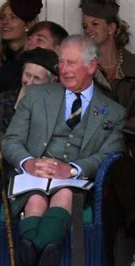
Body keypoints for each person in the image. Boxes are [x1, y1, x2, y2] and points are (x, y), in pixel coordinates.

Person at [1, 34, 125, 266]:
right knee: (35, 200)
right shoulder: (36, 96)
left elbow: (108, 154)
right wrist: (28, 162)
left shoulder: (113, 112)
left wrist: (72, 169)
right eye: (61, 62)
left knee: (65, 194)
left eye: (72, 63)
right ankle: (42, 252)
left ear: (91, 66)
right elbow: (10, 140)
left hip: (74, 182)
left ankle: (31, 254)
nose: (64, 69)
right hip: (32, 176)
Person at [80, 1, 135, 264]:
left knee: (117, 179)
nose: (88, 30)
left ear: (112, 27)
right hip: (99, 150)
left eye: (95, 24)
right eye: (84, 25)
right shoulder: (83, 70)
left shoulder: (133, 66)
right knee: (116, 163)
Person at [0, 47, 59, 147]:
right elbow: (4, 140)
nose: (29, 83)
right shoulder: (7, 99)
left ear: (53, 82)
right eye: (27, 75)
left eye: (37, 78)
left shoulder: (60, 102)